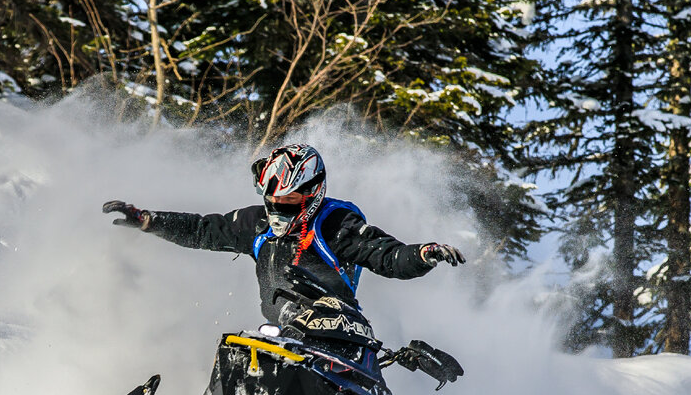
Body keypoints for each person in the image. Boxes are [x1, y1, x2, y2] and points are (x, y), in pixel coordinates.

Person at [103, 143, 464, 338]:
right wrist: (149, 221)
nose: (279, 208)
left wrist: (422, 253)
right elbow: (202, 230)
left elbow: (385, 254)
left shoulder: (337, 223)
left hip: (339, 337)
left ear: (313, 195)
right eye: (274, 200)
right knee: (235, 350)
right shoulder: (255, 224)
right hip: (282, 334)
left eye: (289, 202)